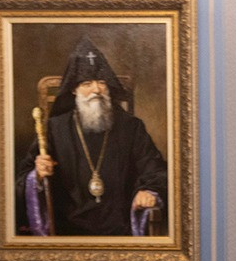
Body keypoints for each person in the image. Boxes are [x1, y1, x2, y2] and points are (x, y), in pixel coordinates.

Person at [16, 35, 168, 237]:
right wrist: (37, 175)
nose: (96, 90)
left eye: (102, 82)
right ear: (74, 90)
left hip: (121, 226)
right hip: (65, 230)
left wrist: (149, 191)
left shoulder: (131, 127)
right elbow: (22, 178)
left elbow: (155, 169)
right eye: (87, 83)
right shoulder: (54, 129)